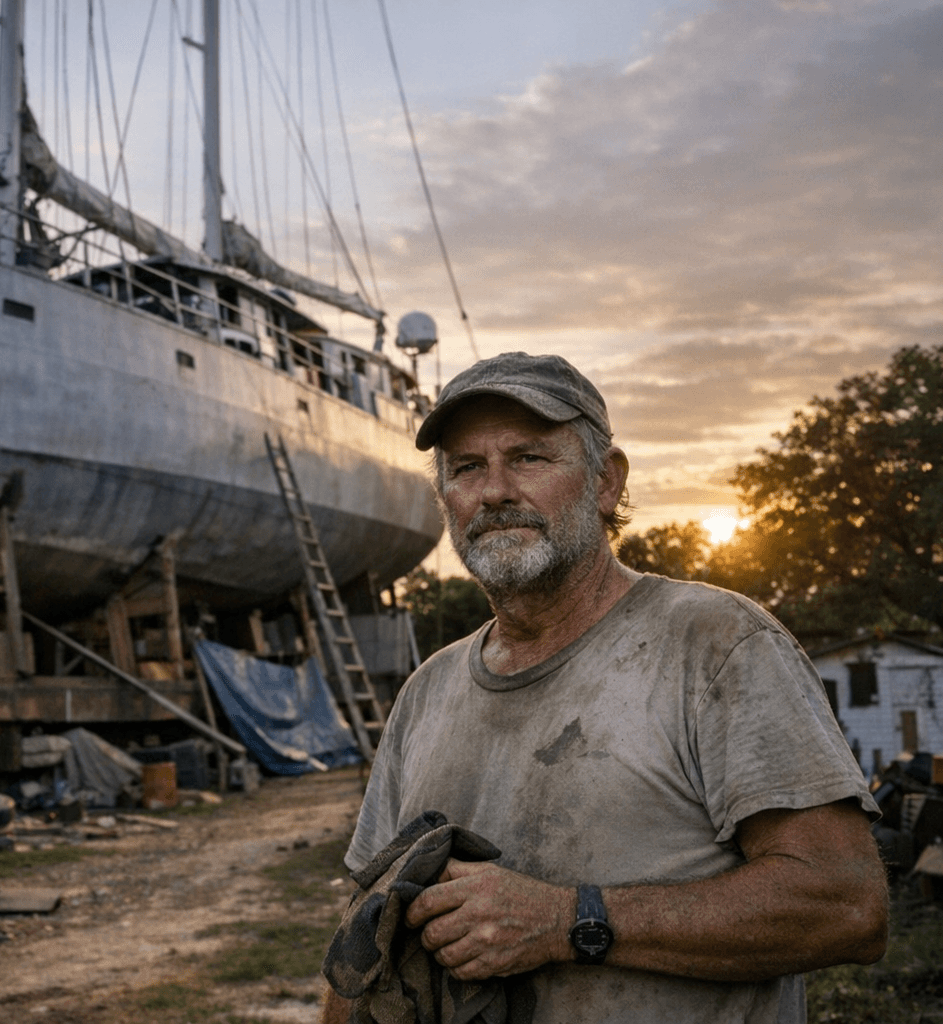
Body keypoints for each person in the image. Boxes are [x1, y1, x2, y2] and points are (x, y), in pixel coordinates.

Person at [323, 352, 887, 1023]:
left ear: (605, 482)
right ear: (446, 497)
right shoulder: (427, 692)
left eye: (530, 458)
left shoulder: (715, 644)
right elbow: (364, 930)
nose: (495, 490)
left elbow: (846, 906)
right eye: (466, 467)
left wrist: (568, 921)